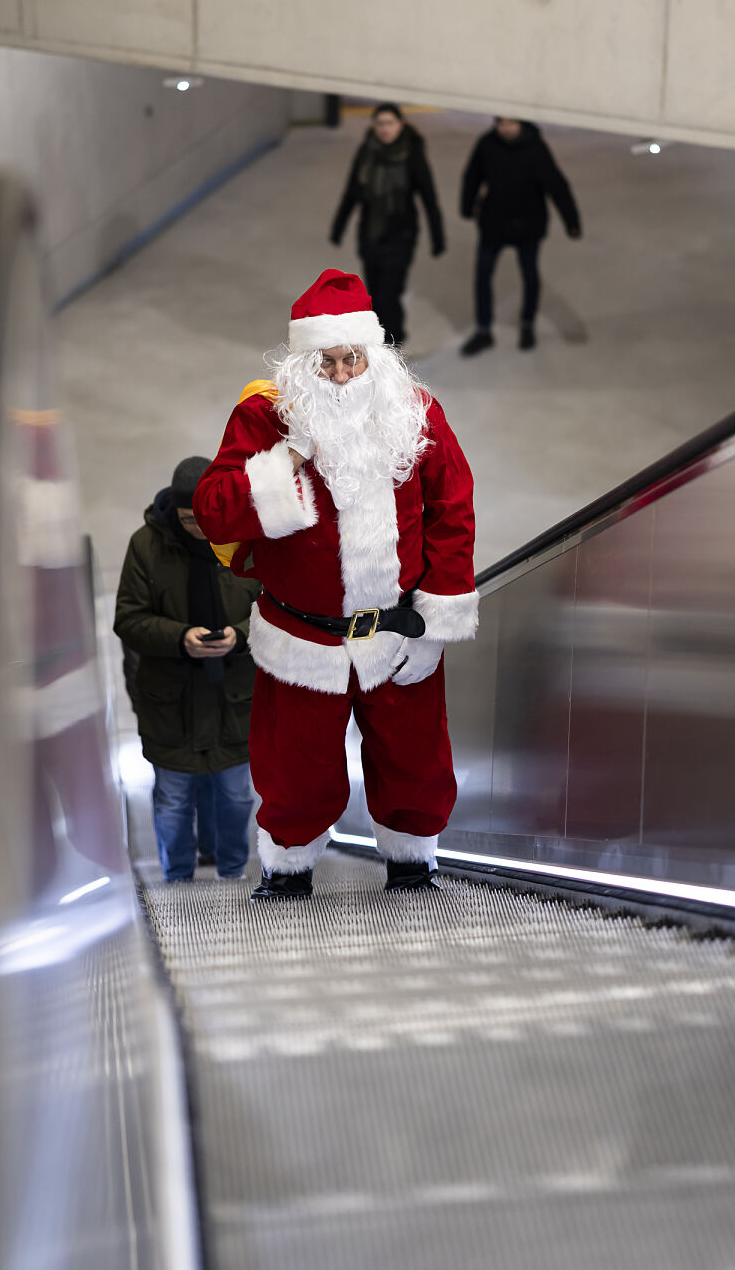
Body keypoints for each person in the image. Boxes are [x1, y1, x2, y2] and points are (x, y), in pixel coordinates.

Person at [194, 269, 478, 901]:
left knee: (414, 758)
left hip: (399, 632)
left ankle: (413, 861)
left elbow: (452, 506)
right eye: (328, 363)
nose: (344, 375)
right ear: (302, 364)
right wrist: (284, 461)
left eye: (353, 358)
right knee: (294, 765)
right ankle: (288, 868)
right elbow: (213, 509)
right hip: (302, 636)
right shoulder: (262, 418)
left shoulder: (414, 412)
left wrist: (438, 616)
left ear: (373, 355)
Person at [114, 455, 260, 882]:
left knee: (235, 797)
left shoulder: (247, 539)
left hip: (234, 698)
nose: (199, 529)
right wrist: (181, 638)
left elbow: (278, 606)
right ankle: (176, 879)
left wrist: (240, 634)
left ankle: (234, 874)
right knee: (173, 800)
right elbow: (128, 619)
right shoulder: (146, 545)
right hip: (171, 702)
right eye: (187, 519)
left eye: (205, 519)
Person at [459, 117, 582, 355]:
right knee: (483, 275)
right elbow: (472, 176)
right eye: (501, 123)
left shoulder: (536, 148)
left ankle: (527, 324)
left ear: (522, 124)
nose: (506, 128)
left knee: (529, 274)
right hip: (494, 222)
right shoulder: (487, 144)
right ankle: (483, 330)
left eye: (511, 123)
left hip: (528, 224)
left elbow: (557, 185)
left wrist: (572, 222)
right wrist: (467, 205)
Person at [329, 104, 445, 348]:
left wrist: (438, 236)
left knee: (389, 293)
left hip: (401, 234)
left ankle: (394, 342)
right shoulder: (366, 151)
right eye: (380, 123)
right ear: (373, 125)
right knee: (375, 293)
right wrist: (339, 227)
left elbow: (428, 196)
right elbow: (351, 191)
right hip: (370, 232)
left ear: (400, 125)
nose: (385, 128)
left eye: (390, 123)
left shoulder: (412, 154)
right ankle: (380, 340)